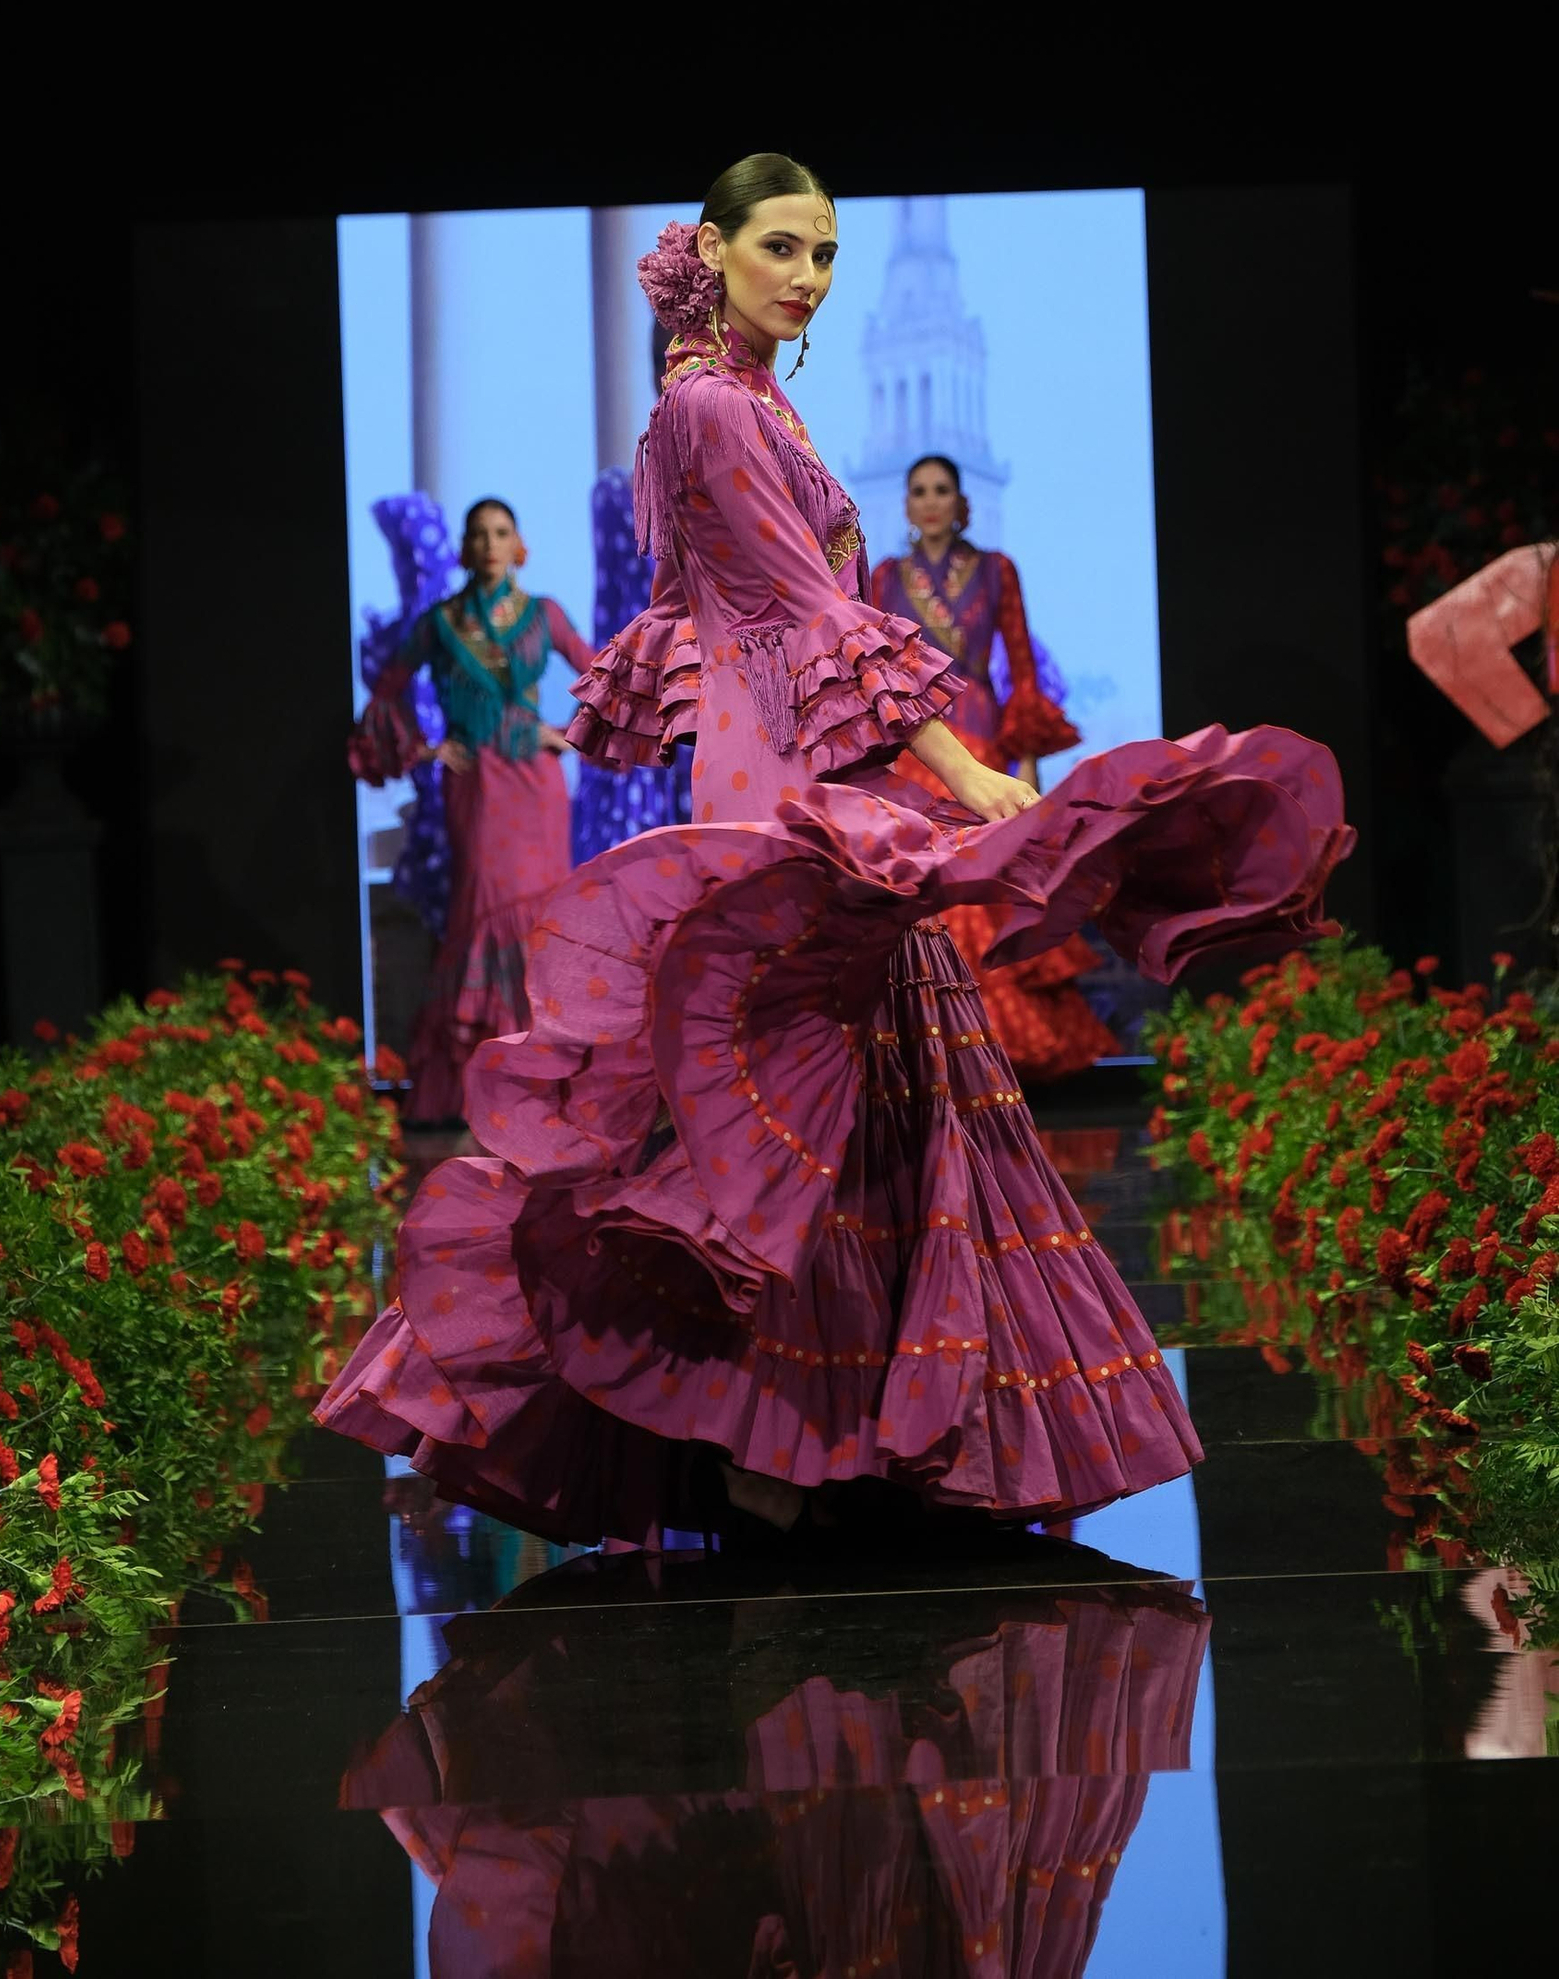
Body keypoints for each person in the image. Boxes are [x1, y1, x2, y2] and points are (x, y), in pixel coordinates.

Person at [320, 154, 1352, 1547]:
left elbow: (734, 615)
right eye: (786, 248)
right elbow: (801, 614)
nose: (808, 276)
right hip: (789, 770)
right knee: (795, 1082)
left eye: (825, 255)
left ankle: (824, 1432)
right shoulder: (707, 407)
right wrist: (961, 764)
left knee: (849, 1077)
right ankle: (774, 1438)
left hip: (810, 752)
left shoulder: (751, 400)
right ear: (719, 250)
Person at [870, 458, 1121, 1081]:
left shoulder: (996, 570)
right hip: (920, 743)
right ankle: (932, 1047)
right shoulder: (882, 579)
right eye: (919, 492)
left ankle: (997, 1052)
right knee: (933, 881)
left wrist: (1028, 764)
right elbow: (873, 676)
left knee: (992, 876)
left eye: (941, 491)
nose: (930, 503)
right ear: (906, 506)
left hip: (984, 736)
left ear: (961, 503)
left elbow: (1023, 671)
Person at [348, 496, 591, 1125]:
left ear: (520, 546)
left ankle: (550, 1083)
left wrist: (566, 735)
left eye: (501, 532)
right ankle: (483, 1090)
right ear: (463, 548)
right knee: (482, 909)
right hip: (477, 786)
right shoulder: (441, 621)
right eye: (479, 534)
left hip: (536, 789)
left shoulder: (544, 615)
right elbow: (385, 691)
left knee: (544, 920)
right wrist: (424, 748)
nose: (489, 543)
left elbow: (604, 677)